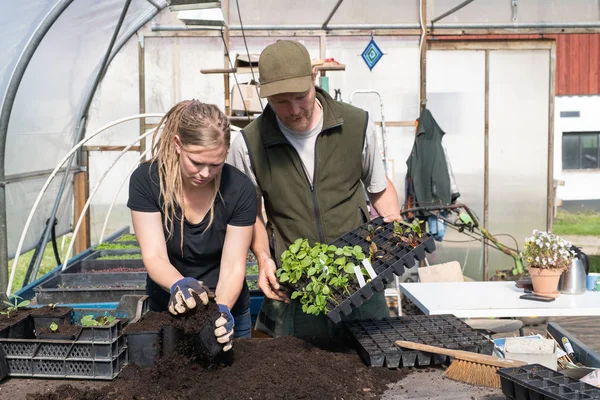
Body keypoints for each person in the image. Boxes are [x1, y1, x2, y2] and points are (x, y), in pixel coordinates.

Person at [227, 40, 402, 340]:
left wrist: (397, 230)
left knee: (374, 376)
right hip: (295, 287)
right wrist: (263, 257)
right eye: (282, 101)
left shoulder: (357, 125)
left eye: (301, 96)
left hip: (358, 279)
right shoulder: (248, 144)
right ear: (264, 93)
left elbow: (378, 187)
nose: (295, 109)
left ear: (314, 78)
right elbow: (250, 213)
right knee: (296, 378)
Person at [128, 100, 257, 351]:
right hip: (168, 314)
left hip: (229, 308)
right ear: (178, 145)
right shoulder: (148, 181)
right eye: (196, 163)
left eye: (216, 164)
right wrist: (180, 286)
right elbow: (154, 256)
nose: (205, 173)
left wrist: (220, 312)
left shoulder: (239, 189)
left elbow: (233, 266)